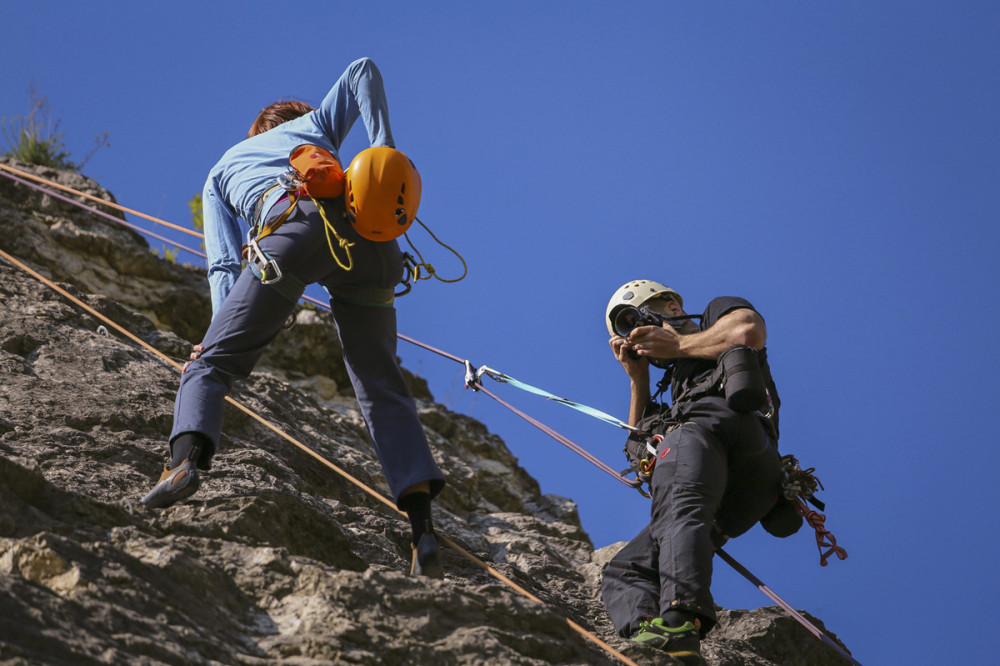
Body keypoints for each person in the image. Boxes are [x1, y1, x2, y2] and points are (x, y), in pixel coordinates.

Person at [141, 57, 447, 578]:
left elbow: (221, 262)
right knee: (381, 386)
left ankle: (184, 463)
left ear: (258, 131)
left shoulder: (222, 169)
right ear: (295, 121)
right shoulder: (315, 127)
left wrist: (218, 333)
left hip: (292, 230)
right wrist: (383, 149)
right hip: (371, 240)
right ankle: (423, 533)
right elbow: (363, 71)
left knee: (208, 368)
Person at [600, 280, 790, 663]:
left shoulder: (713, 315)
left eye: (640, 320)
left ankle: (679, 620)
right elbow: (642, 461)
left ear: (671, 308)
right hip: (748, 489)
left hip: (711, 433)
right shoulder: (675, 388)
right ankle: (648, 637)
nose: (638, 334)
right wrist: (638, 380)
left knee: (677, 509)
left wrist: (679, 345)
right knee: (625, 569)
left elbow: (747, 330)